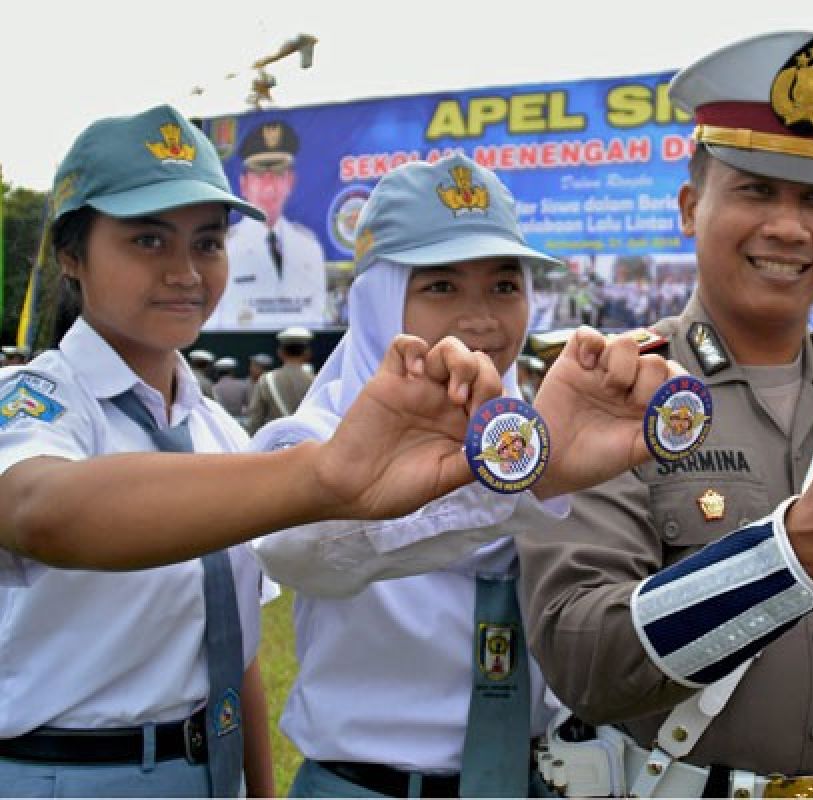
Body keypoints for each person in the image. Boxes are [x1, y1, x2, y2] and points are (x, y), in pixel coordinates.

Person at [0, 104, 563, 798]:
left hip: (208, 772)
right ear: (70, 254)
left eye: (206, 243)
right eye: (149, 241)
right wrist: (323, 477)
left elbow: (231, 658)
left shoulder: (215, 430)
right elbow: (35, 509)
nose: (184, 270)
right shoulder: (34, 402)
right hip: (69, 773)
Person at [519, 31, 813, 797]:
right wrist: (789, 561)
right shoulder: (615, 398)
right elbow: (581, 658)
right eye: (755, 189)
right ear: (690, 208)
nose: (788, 226)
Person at [249, 153, 684, 798]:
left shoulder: (552, 435)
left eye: (504, 286)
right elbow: (301, 552)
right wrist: (521, 484)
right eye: (441, 286)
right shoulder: (312, 444)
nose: (482, 317)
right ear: (379, 302)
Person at [207, 121, 327, 331]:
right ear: (244, 184)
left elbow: (319, 314)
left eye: (278, 175)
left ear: (290, 181)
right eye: (260, 176)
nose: (269, 186)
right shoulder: (225, 248)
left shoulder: (309, 247)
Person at [245, 326, 314, 434]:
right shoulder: (315, 381)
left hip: (277, 446)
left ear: (280, 352)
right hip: (309, 445)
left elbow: (255, 421)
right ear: (307, 354)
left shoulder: (266, 381)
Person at [212, 356, 250, 422]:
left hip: (222, 421)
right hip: (241, 421)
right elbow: (248, 405)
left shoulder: (215, 388)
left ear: (218, 372)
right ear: (232, 371)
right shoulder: (242, 385)